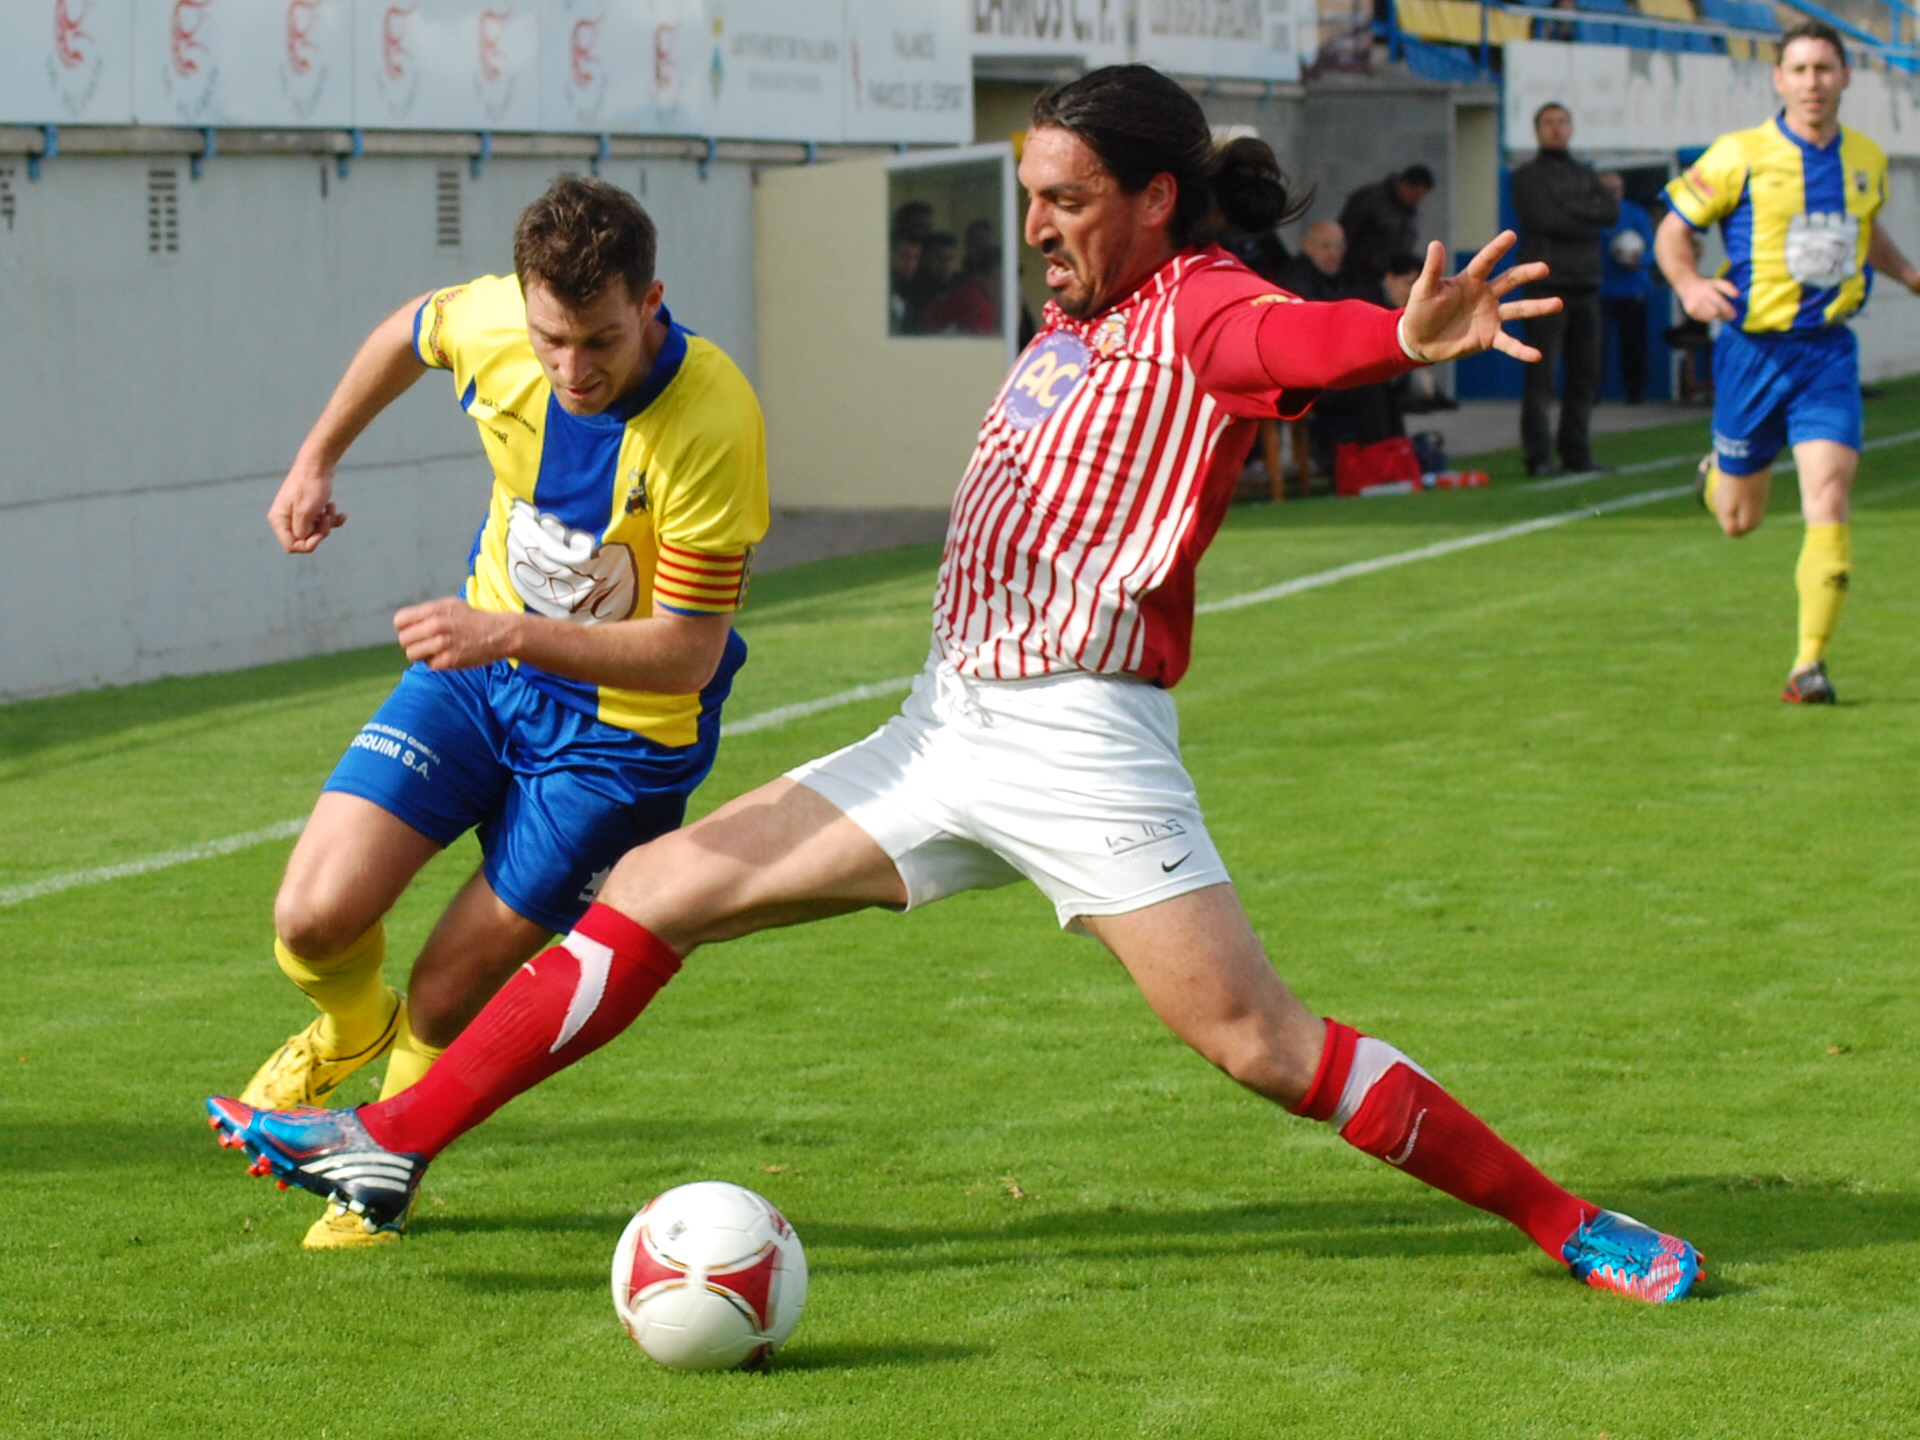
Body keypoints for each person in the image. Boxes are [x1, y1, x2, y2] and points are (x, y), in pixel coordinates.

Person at [209, 66, 1702, 1304]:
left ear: (1153, 199)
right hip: (947, 725)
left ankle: (1563, 1219)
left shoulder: (1195, 303)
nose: (1036, 221)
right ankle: (392, 1142)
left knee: (1264, 1046)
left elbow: (1282, 339)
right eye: (1030, 191)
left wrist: (1392, 334)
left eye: (1066, 197)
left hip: (1078, 742)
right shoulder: (1078, 312)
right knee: (655, 886)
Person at [238, 176, 768, 1247]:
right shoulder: (490, 323)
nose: (572, 370)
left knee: (447, 982)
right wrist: (316, 456)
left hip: (618, 743)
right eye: (550, 340)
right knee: (311, 917)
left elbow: (687, 655)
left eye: (601, 342)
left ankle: (376, 1170)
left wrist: (512, 631)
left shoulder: (712, 417)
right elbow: (407, 331)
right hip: (481, 676)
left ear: (652, 301)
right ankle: (347, 1025)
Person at [1655, 20, 1920, 703]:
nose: (1812, 83)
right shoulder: (1739, 155)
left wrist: (1910, 276)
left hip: (1827, 354)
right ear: (1778, 80)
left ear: (1845, 78)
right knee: (1740, 522)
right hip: (1750, 352)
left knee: (1829, 498)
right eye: (1799, 70)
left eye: (1824, 70)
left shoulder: (1865, 158)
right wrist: (1688, 286)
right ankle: (1718, 478)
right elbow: (1672, 231)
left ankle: (1808, 666)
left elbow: (1865, 232)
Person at [1511, 103, 1619, 477]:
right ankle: (1538, 456)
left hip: (1586, 283)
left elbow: (1609, 210)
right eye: (1548, 123)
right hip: (1546, 285)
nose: (1556, 129)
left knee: (1585, 374)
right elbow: (1544, 219)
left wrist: (1570, 212)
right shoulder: (1526, 176)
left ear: (1570, 128)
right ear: (1537, 130)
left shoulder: (1583, 173)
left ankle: (1577, 452)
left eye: (1561, 122)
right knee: (1542, 376)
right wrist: (1581, 214)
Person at [1597, 173, 1656, 404]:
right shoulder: (1592, 216)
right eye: (1608, 189)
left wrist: (1639, 261)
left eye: (1617, 189)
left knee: (1634, 345)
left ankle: (1635, 394)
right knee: (1596, 347)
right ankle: (1592, 395)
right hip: (1600, 290)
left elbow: (1652, 248)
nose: (1614, 194)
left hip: (1632, 290)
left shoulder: (1636, 214)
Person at [1338, 163, 1432, 299]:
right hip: (1358, 277)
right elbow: (1346, 233)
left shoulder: (1410, 212)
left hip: (1390, 278)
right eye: (1416, 193)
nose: (1418, 199)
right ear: (1405, 185)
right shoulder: (1371, 199)